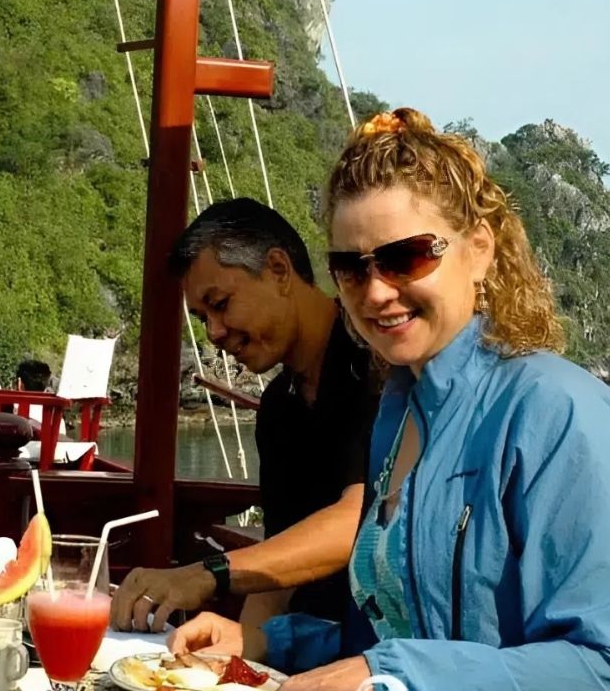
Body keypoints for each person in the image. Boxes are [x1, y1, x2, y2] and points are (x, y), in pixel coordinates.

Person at [171, 109, 610, 690]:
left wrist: (387, 671)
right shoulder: (398, 412)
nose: (376, 291)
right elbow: (387, 637)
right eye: (351, 268)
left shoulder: (554, 412)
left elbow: (595, 663)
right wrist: (264, 641)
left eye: (407, 257)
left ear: (478, 249)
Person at [112, 198, 379, 634]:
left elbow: (360, 518)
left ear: (277, 270)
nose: (213, 332)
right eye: (202, 317)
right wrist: (240, 655)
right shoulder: (280, 406)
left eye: (220, 304)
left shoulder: (375, 363)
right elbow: (276, 576)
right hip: (310, 648)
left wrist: (207, 573)